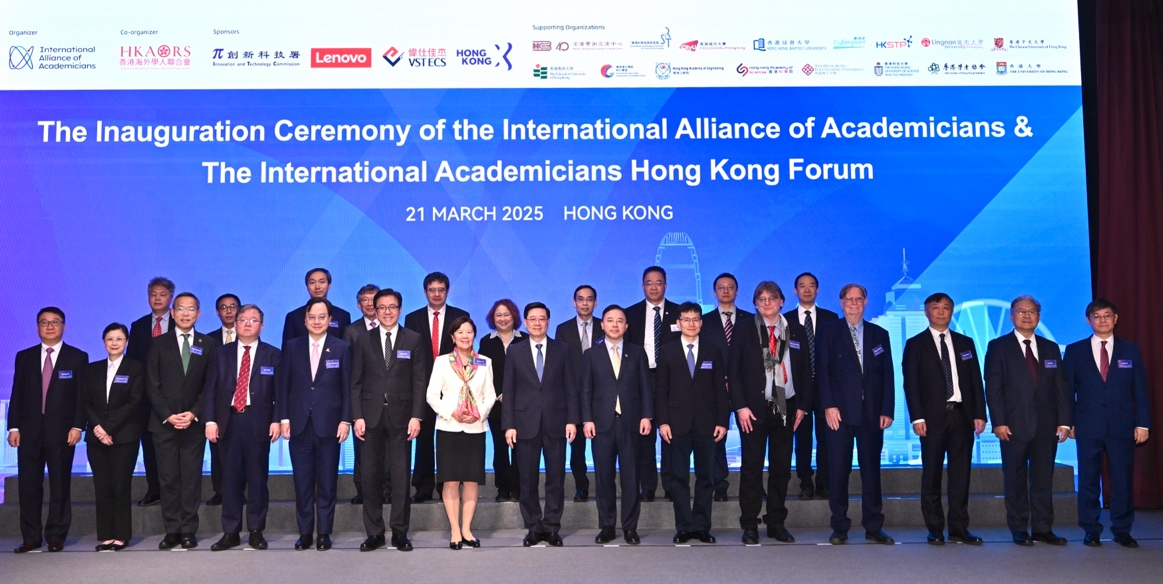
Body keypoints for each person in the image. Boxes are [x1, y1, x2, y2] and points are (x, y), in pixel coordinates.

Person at [984, 295, 1071, 546]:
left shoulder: (1050, 347)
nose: (1026, 315)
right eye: (1021, 311)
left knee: (1043, 479)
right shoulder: (998, 346)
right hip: (1012, 425)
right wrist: (998, 422)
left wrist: (1065, 421)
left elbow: (1061, 387)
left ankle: (1043, 528)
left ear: (1038, 317)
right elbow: (994, 388)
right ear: (1011, 316)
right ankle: (1019, 527)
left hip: (1047, 426)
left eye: (1031, 311)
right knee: (1015, 479)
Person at [729, 283, 812, 544]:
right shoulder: (744, 329)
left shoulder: (796, 330)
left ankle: (776, 523)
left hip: (787, 407)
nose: (767, 303)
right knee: (751, 469)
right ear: (755, 303)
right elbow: (734, 371)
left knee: (781, 469)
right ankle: (749, 524)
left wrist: (803, 406)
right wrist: (740, 407)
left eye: (772, 298)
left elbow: (806, 371)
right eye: (761, 299)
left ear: (782, 301)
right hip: (753, 409)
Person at [1064, 299, 1151, 548]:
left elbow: (1141, 389)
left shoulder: (1130, 350)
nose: (1102, 320)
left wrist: (1143, 424)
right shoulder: (1075, 350)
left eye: (1107, 315)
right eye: (1096, 316)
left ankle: (1122, 529)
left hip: (1122, 425)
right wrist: (1068, 423)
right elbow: (1067, 390)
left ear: (1115, 318)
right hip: (1087, 425)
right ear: (1088, 320)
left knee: (1122, 480)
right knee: (1088, 480)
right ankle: (1091, 529)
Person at [902, 293, 987, 546]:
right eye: (935, 307)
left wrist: (980, 413)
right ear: (926, 312)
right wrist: (917, 417)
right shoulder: (915, 344)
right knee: (932, 474)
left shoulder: (965, 342)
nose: (941, 312)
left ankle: (959, 528)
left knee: (961, 476)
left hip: (962, 416)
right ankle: (935, 528)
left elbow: (976, 380)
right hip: (932, 419)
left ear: (952, 311)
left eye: (946, 308)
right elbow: (911, 384)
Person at [817, 283, 895, 545]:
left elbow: (887, 375)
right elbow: (822, 372)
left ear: (865, 301)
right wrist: (828, 405)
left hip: (871, 414)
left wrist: (887, 409)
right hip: (838, 414)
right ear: (841, 303)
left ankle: (873, 526)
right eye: (849, 299)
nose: (853, 303)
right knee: (839, 471)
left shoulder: (879, 334)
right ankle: (839, 527)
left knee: (871, 472)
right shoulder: (828, 332)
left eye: (858, 298)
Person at [352, 288, 429, 552]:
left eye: (392, 307)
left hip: (403, 417)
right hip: (369, 417)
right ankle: (374, 532)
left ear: (400, 309)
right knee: (370, 476)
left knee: (400, 476)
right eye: (382, 307)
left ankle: (399, 531)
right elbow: (355, 382)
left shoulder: (414, 339)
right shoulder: (363, 339)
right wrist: (357, 416)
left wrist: (417, 416)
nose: (387, 312)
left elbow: (420, 381)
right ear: (375, 310)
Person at [7, 307, 89, 553]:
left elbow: (81, 396)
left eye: (55, 322)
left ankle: (56, 536)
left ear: (64, 326)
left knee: (60, 485)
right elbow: (17, 393)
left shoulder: (77, 357)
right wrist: (13, 426)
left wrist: (78, 426)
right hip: (29, 432)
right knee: (28, 486)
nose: (50, 326)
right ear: (37, 327)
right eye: (44, 322)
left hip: (62, 432)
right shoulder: (24, 356)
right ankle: (31, 537)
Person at [204, 304, 281, 552]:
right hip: (228, 422)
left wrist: (277, 420)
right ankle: (231, 532)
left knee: (258, 479)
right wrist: (210, 420)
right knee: (229, 480)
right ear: (235, 324)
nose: (248, 324)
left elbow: (280, 393)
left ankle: (256, 530)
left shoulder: (273, 354)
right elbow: (210, 389)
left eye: (253, 320)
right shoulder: (220, 353)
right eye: (243, 320)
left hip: (259, 422)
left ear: (262, 326)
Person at [146, 292, 218, 550]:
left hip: (194, 423)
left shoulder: (208, 344)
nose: (186, 313)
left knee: (191, 478)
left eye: (191, 309)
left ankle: (188, 530)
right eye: (181, 309)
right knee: (168, 479)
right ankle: (172, 530)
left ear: (199, 314)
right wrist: (167, 414)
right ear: (172, 313)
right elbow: (151, 384)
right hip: (163, 423)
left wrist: (194, 412)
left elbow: (210, 384)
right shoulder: (158, 343)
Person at [279, 298, 353, 551]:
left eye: (322, 317)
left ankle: (323, 533)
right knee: (302, 483)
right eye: (312, 317)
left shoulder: (342, 347)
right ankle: (305, 533)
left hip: (330, 425)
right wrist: (284, 418)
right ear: (305, 320)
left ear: (330, 320)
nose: (317, 321)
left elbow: (347, 388)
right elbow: (283, 384)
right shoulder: (292, 346)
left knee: (327, 483)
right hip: (298, 425)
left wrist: (345, 419)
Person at [503, 302, 578, 547]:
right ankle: (534, 526)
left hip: (557, 422)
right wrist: (509, 425)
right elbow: (509, 390)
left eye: (542, 318)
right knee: (527, 479)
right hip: (524, 424)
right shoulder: (515, 351)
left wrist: (572, 420)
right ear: (525, 322)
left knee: (556, 478)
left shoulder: (562, 349)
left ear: (548, 322)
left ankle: (552, 526)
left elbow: (571, 387)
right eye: (532, 319)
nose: (537, 323)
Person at [580, 305, 653, 545]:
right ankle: (607, 525)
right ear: (602, 325)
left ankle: (630, 527)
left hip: (631, 422)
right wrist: (587, 419)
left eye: (620, 321)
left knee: (631, 477)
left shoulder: (637, 352)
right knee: (604, 477)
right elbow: (585, 390)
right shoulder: (591, 354)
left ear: (626, 325)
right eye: (610, 320)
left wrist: (647, 415)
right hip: (602, 423)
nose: (615, 324)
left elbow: (645, 387)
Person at [657, 302, 729, 544]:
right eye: (686, 319)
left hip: (707, 425)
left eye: (695, 319)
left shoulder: (713, 350)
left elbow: (721, 390)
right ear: (678, 323)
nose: (691, 323)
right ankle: (684, 527)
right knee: (678, 479)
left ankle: (702, 527)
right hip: (676, 425)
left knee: (705, 478)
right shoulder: (667, 351)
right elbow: (661, 391)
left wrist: (723, 421)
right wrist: (662, 422)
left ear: (701, 323)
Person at [426, 316, 497, 549]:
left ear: (474, 334)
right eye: (460, 332)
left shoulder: (484, 362)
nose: (465, 336)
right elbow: (431, 395)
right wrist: (452, 413)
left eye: (469, 332)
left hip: (475, 428)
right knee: (450, 480)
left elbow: (490, 394)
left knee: (471, 480)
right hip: (449, 427)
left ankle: (466, 529)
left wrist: (479, 413)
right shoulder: (442, 362)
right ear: (453, 337)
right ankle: (455, 530)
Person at [404, 271, 469, 503]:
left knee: (447, 440)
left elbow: (466, 351)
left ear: (447, 291)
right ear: (425, 292)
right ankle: (423, 487)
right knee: (422, 439)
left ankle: (446, 486)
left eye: (441, 290)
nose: (437, 294)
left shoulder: (460, 316)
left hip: (451, 388)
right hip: (422, 387)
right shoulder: (412, 318)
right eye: (432, 290)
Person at [83, 323, 145, 551]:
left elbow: (134, 402)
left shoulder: (136, 368)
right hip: (96, 437)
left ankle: (121, 535)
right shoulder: (92, 369)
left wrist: (107, 427)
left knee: (120, 486)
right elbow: (86, 401)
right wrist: (99, 428)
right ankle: (106, 535)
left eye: (119, 339)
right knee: (102, 486)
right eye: (110, 339)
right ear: (104, 342)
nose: (114, 343)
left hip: (124, 436)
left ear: (126, 342)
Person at [624, 266, 680, 502]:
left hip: (672, 380)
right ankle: (647, 486)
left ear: (665, 285)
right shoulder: (630, 313)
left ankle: (671, 485)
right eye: (649, 282)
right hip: (641, 379)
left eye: (658, 282)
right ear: (642, 286)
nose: (654, 287)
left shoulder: (679, 312)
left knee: (671, 434)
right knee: (644, 436)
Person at [783, 272, 839, 500]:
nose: (807, 290)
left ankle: (824, 483)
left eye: (811, 286)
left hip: (826, 388)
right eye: (802, 286)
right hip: (797, 389)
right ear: (795, 290)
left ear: (817, 289)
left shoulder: (831, 318)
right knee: (802, 439)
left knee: (826, 438)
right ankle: (805, 483)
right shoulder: (785, 319)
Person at [700, 273, 753, 502]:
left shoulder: (751, 319)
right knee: (716, 437)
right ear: (714, 292)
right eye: (721, 287)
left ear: (737, 291)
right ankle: (719, 485)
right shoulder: (704, 321)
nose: (725, 290)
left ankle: (752, 484)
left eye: (730, 287)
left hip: (747, 389)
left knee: (751, 438)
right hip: (715, 387)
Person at [127, 276, 175, 507]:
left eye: (162, 294)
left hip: (173, 397)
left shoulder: (180, 324)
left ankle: (174, 490)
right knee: (148, 445)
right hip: (146, 398)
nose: (157, 298)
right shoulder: (138, 326)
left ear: (171, 297)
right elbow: (133, 363)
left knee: (173, 447)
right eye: (153, 294)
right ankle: (154, 489)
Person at [554, 284, 602, 502]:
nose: (585, 303)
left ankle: (604, 486)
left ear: (595, 302)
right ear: (574, 302)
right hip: (573, 396)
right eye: (580, 299)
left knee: (603, 447)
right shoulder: (563, 329)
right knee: (577, 448)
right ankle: (581, 486)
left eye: (589, 299)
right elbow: (559, 364)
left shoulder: (605, 326)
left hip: (601, 395)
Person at [342, 284, 387, 506]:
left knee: (387, 449)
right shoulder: (351, 331)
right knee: (362, 448)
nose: (369, 304)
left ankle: (386, 489)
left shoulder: (393, 328)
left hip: (387, 398)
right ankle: (363, 489)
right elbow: (349, 369)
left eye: (373, 299)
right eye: (365, 300)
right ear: (358, 305)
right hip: (362, 398)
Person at [477, 299, 525, 503]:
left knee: (520, 448)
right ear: (492, 318)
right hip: (496, 405)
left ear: (514, 316)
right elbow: (483, 373)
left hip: (521, 405)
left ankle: (518, 488)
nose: (503, 319)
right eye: (498, 315)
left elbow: (528, 373)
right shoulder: (486, 342)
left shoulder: (525, 340)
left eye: (507, 314)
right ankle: (502, 488)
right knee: (500, 447)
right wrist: (498, 394)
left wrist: (514, 395)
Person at [204, 293, 241, 507]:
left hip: (243, 405)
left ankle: (239, 491)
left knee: (241, 453)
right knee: (217, 452)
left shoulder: (248, 336)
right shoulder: (209, 341)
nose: (228, 311)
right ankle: (219, 490)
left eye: (233, 306)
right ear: (217, 312)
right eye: (224, 307)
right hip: (219, 406)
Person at [282, 267, 352, 349]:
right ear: (307, 287)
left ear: (329, 285)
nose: (317, 286)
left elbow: (346, 350)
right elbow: (287, 351)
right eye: (312, 282)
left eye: (322, 282)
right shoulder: (293, 317)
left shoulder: (343, 316)